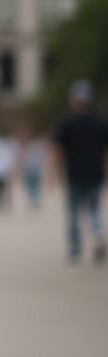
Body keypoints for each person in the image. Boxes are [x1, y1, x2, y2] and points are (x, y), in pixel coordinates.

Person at [53, 79, 108, 264]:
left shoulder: (68, 122)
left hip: (74, 173)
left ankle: (75, 252)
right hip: (96, 173)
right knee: (94, 209)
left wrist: (55, 172)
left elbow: (57, 150)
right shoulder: (99, 121)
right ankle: (97, 232)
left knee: (74, 213)